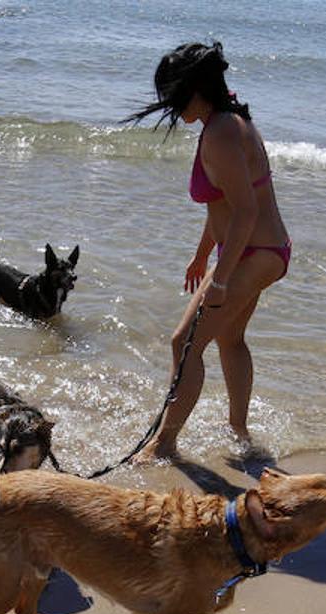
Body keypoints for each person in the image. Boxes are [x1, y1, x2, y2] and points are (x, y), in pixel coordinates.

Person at [125, 42, 291, 461]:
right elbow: (226, 207)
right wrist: (203, 256)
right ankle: (240, 433)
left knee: (184, 343)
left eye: (172, 93)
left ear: (195, 88)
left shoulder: (220, 133)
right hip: (263, 251)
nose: (168, 104)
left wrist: (220, 279)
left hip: (254, 253)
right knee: (231, 339)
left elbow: (246, 213)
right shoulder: (228, 120)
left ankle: (163, 446)